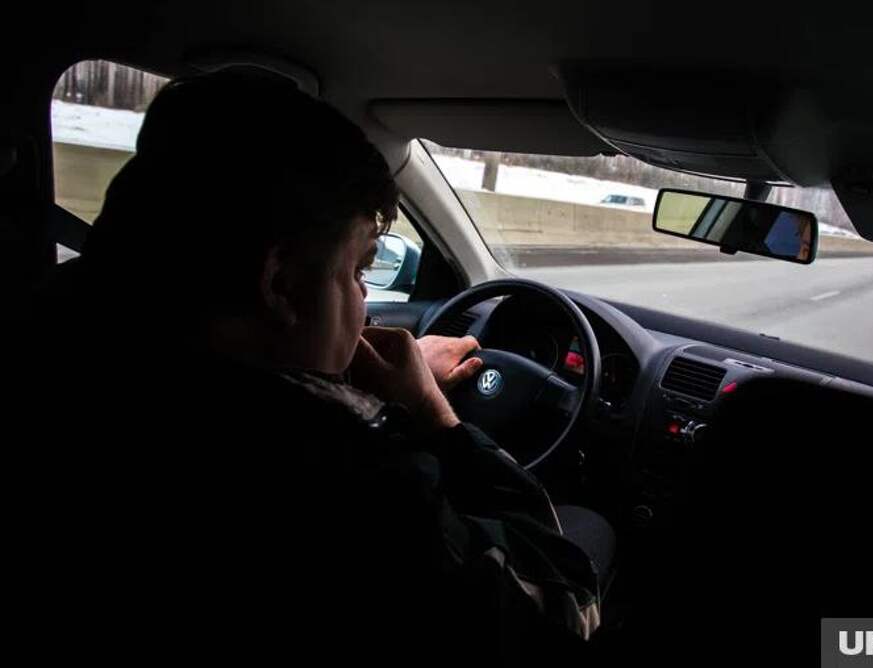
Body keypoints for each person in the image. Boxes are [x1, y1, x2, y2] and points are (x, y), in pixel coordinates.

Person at [17, 70, 608, 663]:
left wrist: (349, 384)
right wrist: (432, 414)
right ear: (281, 284)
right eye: (358, 270)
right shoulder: (350, 490)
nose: (364, 300)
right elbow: (565, 606)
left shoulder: (51, 338)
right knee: (590, 531)